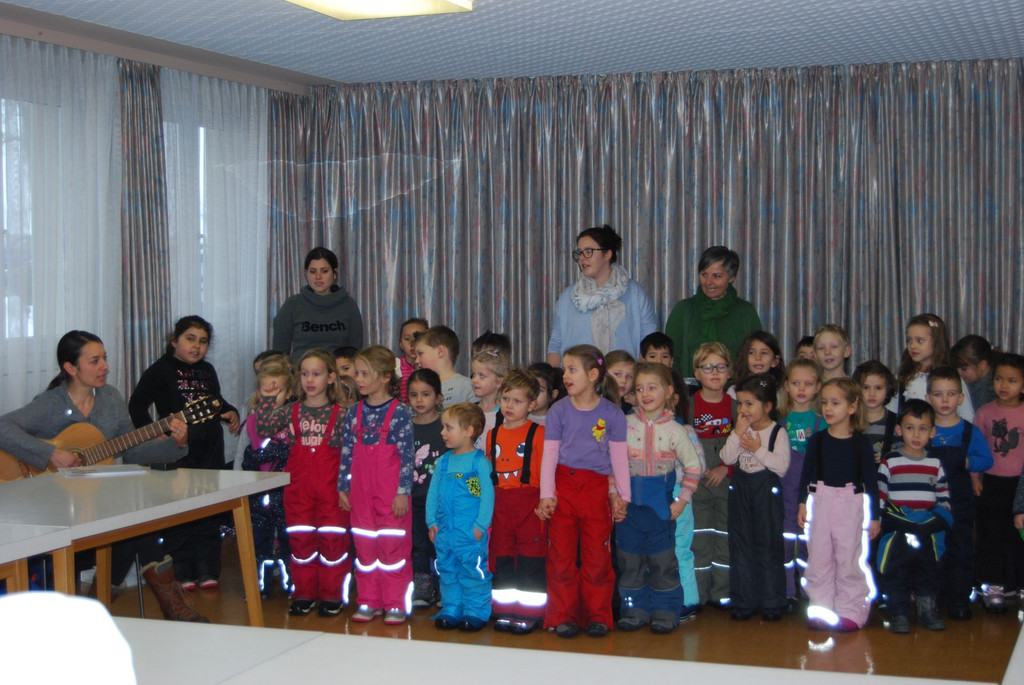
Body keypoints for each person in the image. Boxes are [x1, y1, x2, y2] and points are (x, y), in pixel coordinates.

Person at [0, 330, 205, 622]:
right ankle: (162, 605)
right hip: (54, 508)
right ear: (71, 368)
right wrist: (50, 454)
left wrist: (177, 444)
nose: (105, 366)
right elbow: (3, 427)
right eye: (94, 361)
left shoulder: (110, 398)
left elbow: (133, 450)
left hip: (96, 502)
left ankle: (103, 605)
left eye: (104, 358)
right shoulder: (51, 403)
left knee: (135, 525)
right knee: (133, 527)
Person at [128, 315, 240, 591]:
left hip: (210, 450)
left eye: (203, 341)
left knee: (208, 511)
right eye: (190, 339)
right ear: (174, 340)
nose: (197, 346)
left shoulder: (208, 370)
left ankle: (208, 569)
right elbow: (137, 404)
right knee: (180, 512)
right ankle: (182, 571)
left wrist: (231, 411)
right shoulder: (161, 369)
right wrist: (153, 434)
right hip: (179, 452)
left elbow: (216, 402)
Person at [536, 344, 631, 638]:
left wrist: (622, 496)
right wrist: (546, 494)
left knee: (597, 557)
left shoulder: (612, 414)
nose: (565, 375)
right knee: (561, 557)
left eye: (572, 369)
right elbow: (549, 456)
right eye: (565, 369)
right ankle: (563, 615)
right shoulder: (558, 411)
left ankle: (597, 616)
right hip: (563, 488)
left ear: (592, 375)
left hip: (595, 490)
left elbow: (619, 459)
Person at [253, 349, 353, 617]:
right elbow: (263, 428)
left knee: (333, 542)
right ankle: (304, 593)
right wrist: (268, 399)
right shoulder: (291, 411)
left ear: (331, 377)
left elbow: (349, 456)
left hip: (332, 492)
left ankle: (332, 595)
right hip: (298, 492)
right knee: (301, 542)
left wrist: (346, 487)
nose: (310, 379)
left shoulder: (341, 414)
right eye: (305, 373)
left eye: (317, 374)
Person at [617, 363, 702, 634]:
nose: (645, 393)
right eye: (640, 388)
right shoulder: (624, 425)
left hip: (660, 509)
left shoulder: (676, 430)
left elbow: (694, 467)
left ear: (668, 392)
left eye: (652, 387)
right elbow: (612, 465)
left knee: (663, 562)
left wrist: (682, 500)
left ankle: (666, 611)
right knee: (630, 561)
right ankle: (634, 610)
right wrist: (614, 497)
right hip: (629, 509)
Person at [338, 346, 416, 624]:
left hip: (391, 496)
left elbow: (408, 457)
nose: (358, 379)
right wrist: (342, 487)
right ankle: (369, 600)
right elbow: (347, 452)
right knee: (365, 547)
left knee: (393, 548)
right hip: (360, 495)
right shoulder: (354, 412)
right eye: (356, 373)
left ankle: (395, 603)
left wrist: (403, 493)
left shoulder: (400, 413)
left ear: (385, 377)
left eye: (364, 374)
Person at [797, 378, 880, 632]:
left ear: (852, 407)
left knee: (848, 559)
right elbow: (807, 474)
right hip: (820, 501)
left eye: (835, 403)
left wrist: (875, 516)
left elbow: (871, 482)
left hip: (850, 503)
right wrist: (802, 503)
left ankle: (851, 610)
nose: (828, 408)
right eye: (825, 403)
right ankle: (821, 608)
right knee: (819, 556)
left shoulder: (861, 444)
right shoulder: (818, 440)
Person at [876, 400, 952, 634]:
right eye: (910, 428)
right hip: (899, 528)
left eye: (922, 428)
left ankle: (927, 612)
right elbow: (881, 495)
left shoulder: (935, 463)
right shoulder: (890, 461)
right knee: (897, 572)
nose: (916, 435)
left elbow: (943, 496)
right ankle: (898, 613)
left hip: (927, 530)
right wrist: (879, 521)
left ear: (932, 432)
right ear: (899, 430)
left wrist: (940, 519)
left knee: (927, 571)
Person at [720, 374, 790, 621]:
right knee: (740, 547)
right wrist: (737, 432)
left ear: (767, 406)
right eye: (740, 403)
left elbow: (781, 467)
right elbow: (727, 458)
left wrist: (756, 449)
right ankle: (743, 602)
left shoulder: (777, 432)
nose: (743, 409)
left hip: (766, 494)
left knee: (768, 547)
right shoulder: (741, 429)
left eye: (749, 404)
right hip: (741, 492)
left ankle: (772, 602)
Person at [925, 366, 993, 619]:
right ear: (928, 398)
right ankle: (930, 598)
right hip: (930, 502)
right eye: (938, 394)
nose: (945, 400)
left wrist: (967, 463)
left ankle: (959, 600)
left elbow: (986, 460)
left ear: (961, 398)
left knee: (961, 550)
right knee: (931, 550)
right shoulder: (924, 430)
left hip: (960, 501)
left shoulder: (969, 430)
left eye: (951, 394)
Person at [486, 369, 547, 634]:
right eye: (506, 399)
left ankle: (529, 613)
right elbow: (485, 474)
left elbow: (547, 473)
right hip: (500, 506)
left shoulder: (540, 433)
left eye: (517, 401)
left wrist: (547, 500)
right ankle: (503, 610)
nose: (509, 405)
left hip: (530, 505)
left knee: (530, 559)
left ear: (531, 405)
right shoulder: (492, 435)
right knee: (502, 558)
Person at [546, 225, 658, 365]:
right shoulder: (568, 297)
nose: (582, 258)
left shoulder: (635, 294)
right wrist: (553, 376)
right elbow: (556, 345)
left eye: (589, 252)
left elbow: (650, 344)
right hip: (578, 377)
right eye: (579, 253)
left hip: (624, 376)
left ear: (607, 254)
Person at [428, 402, 495, 632]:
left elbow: (487, 497)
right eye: (443, 427)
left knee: (473, 572)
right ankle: (451, 608)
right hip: (445, 532)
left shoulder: (479, 463)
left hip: (469, 533)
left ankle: (475, 611)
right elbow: (433, 494)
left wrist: (480, 526)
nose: (442, 432)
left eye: (449, 428)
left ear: (468, 431)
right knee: (447, 570)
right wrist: (431, 521)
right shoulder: (443, 462)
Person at [239, 354, 296, 597]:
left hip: (287, 493)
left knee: (287, 538)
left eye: (277, 391)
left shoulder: (294, 419)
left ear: (289, 393)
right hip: (259, 493)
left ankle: (292, 583)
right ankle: (258, 585)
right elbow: (250, 452)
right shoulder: (253, 420)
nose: (271, 397)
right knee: (259, 539)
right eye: (265, 391)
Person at [973, 352, 1024, 614]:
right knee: (991, 535)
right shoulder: (985, 412)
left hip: (1020, 487)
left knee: (1017, 538)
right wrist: (974, 477)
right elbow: (975, 448)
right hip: (991, 484)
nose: (1004, 385)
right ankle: (993, 587)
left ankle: (1019, 586)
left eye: (1012, 380)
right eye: (999, 379)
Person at [664, 246, 762, 381]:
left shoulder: (746, 312)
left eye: (717, 276)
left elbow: (757, 357)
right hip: (690, 391)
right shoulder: (684, 310)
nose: (709, 282)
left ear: (731, 277)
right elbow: (670, 358)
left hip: (736, 391)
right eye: (704, 275)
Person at [688, 342, 734, 608]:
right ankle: (699, 593)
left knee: (724, 539)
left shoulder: (737, 407)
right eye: (707, 367)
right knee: (700, 539)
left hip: (727, 484)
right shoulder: (689, 406)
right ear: (696, 373)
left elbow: (745, 446)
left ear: (729, 372)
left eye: (720, 367)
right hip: (697, 487)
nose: (714, 372)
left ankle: (722, 592)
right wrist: (696, 467)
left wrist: (725, 468)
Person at [778, 357, 824, 604]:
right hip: (785, 490)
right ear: (786, 385)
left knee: (809, 542)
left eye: (808, 383)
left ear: (818, 387)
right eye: (796, 383)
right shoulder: (780, 420)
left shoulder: (822, 421)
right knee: (786, 541)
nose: (802, 388)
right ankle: (786, 590)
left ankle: (808, 588)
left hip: (812, 492)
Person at [272, 247, 364, 362]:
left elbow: (355, 352)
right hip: (301, 371)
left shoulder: (349, 305)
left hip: (337, 371)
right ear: (306, 273)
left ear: (335, 273)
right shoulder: (292, 305)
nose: (318, 277)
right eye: (313, 271)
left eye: (324, 271)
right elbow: (279, 355)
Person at [887, 313, 974, 421]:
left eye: (920, 340)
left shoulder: (952, 379)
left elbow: (968, 417)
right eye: (909, 340)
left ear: (937, 342)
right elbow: (892, 413)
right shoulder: (904, 377)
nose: (912, 345)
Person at [407, 368, 446, 608]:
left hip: (441, 501)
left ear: (438, 398)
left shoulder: (445, 425)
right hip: (414, 498)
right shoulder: (405, 427)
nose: (419, 400)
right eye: (414, 395)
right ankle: (422, 588)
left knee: (440, 544)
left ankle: (444, 587)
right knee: (418, 543)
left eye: (426, 394)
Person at [415, 325, 475, 407]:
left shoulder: (467, 386)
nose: (416, 361)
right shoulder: (418, 386)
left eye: (420, 354)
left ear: (440, 352)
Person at [853, 360, 899, 463]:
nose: (872, 394)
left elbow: (906, 451)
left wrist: (892, 455)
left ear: (888, 389)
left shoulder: (896, 422)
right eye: (866, 388)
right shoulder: (849, 421)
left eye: (878, 388)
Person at [951, 334, 997, 410]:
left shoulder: (992, 391)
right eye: (956, 368)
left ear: (982, 365)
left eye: (964, 369)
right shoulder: (971, 382)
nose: (959, 373)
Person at [471, 349, 508, 438]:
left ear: (499, 382)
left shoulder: (506, 413)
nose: (474, 380)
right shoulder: (470, 410)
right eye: (474, 375)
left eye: (482, 376)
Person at [397, 317, 429, 403]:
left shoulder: (431, 366)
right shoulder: (396, 367)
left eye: (417, 338)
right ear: (400, 343)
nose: (412, 343)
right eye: (407, 339)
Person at [527, 362, 564, 426]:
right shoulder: (518, 418)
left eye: (539, 390)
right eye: (528, 388)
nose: (532, 394)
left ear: (553, 395)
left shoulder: (556, 422)